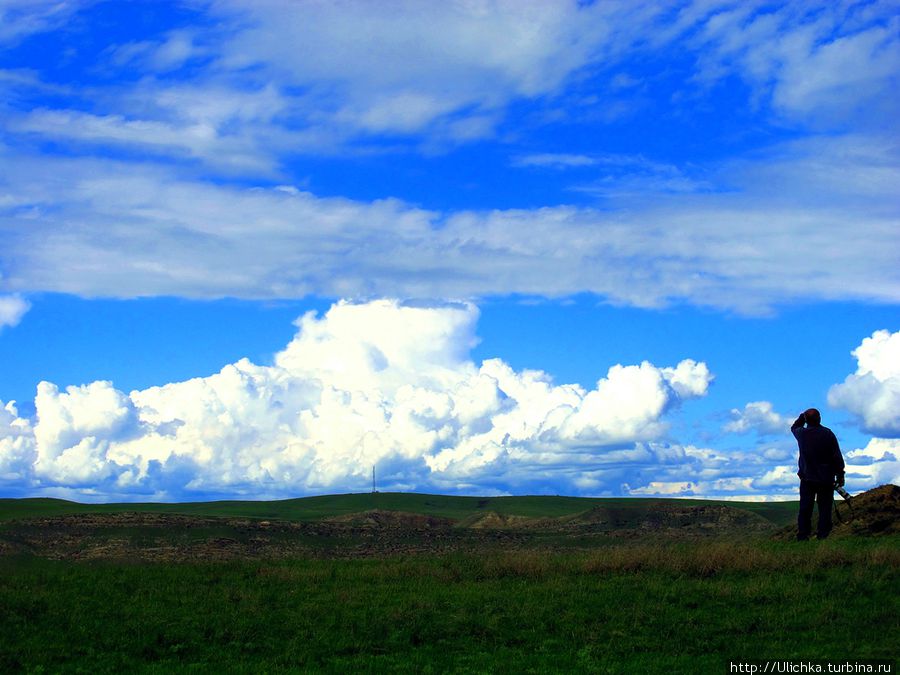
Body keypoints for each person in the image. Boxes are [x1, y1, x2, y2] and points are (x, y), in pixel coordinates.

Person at [791, 408, 845, 540]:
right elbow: (836, 456)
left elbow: (794, 427)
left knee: (805, 509)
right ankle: (823, 535)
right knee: (825, 509)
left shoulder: (802, 434)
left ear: (806, 420)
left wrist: (802, 417)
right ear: (819, 418)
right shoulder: (828, 434)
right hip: (826, 478)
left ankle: (803, 536)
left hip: (807, 478)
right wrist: (840, 475)